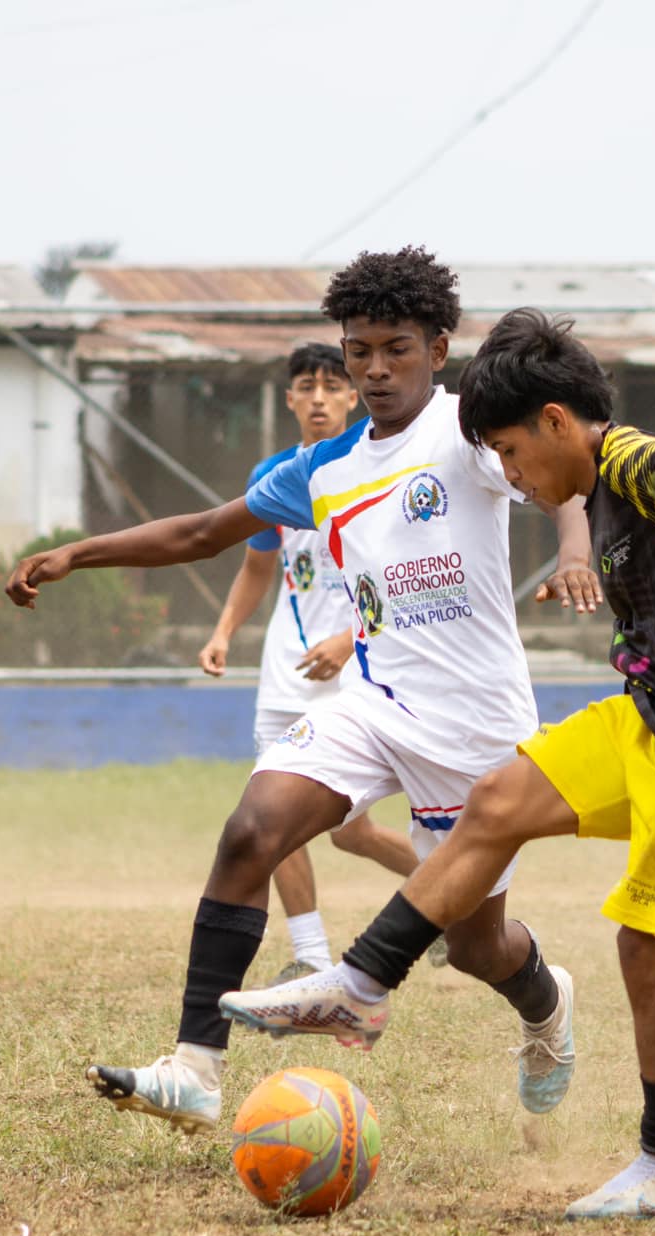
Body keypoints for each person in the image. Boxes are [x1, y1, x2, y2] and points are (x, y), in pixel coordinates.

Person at [217, 308, 655, 1220]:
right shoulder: (594, 493)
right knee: (497, 801)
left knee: (647, 948)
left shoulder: (626, 460)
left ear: (557, 422)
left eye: (510, 450)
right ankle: (362, 986)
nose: (511, 473)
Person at [5, 248, 602, 1133]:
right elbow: (203, 532)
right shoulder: (323, 468)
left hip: (476, 728)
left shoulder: (471, 430)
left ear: (438, 350)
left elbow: (563, 483)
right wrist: (75, 554)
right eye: (359, 351)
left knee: (479, 947)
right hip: (372, 704)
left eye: (396, 349)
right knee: (252, 828)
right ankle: (195, 1067)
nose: (374, 369)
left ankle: (546, 1001)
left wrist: (575, 552)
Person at [196, 342, 422, 980]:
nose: (319, 399)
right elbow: (257, 568)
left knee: (352, 833)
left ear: (352, 395)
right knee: (269, 809)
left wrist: (350, 639)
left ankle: (445, 903)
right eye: (306, 387)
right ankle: (310, 957)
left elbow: (403, 575)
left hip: (357, 672)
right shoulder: (274, 475)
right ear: (290, 399)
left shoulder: (373, 467)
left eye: (331, 386)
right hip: (284, 671)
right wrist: (223, 632)